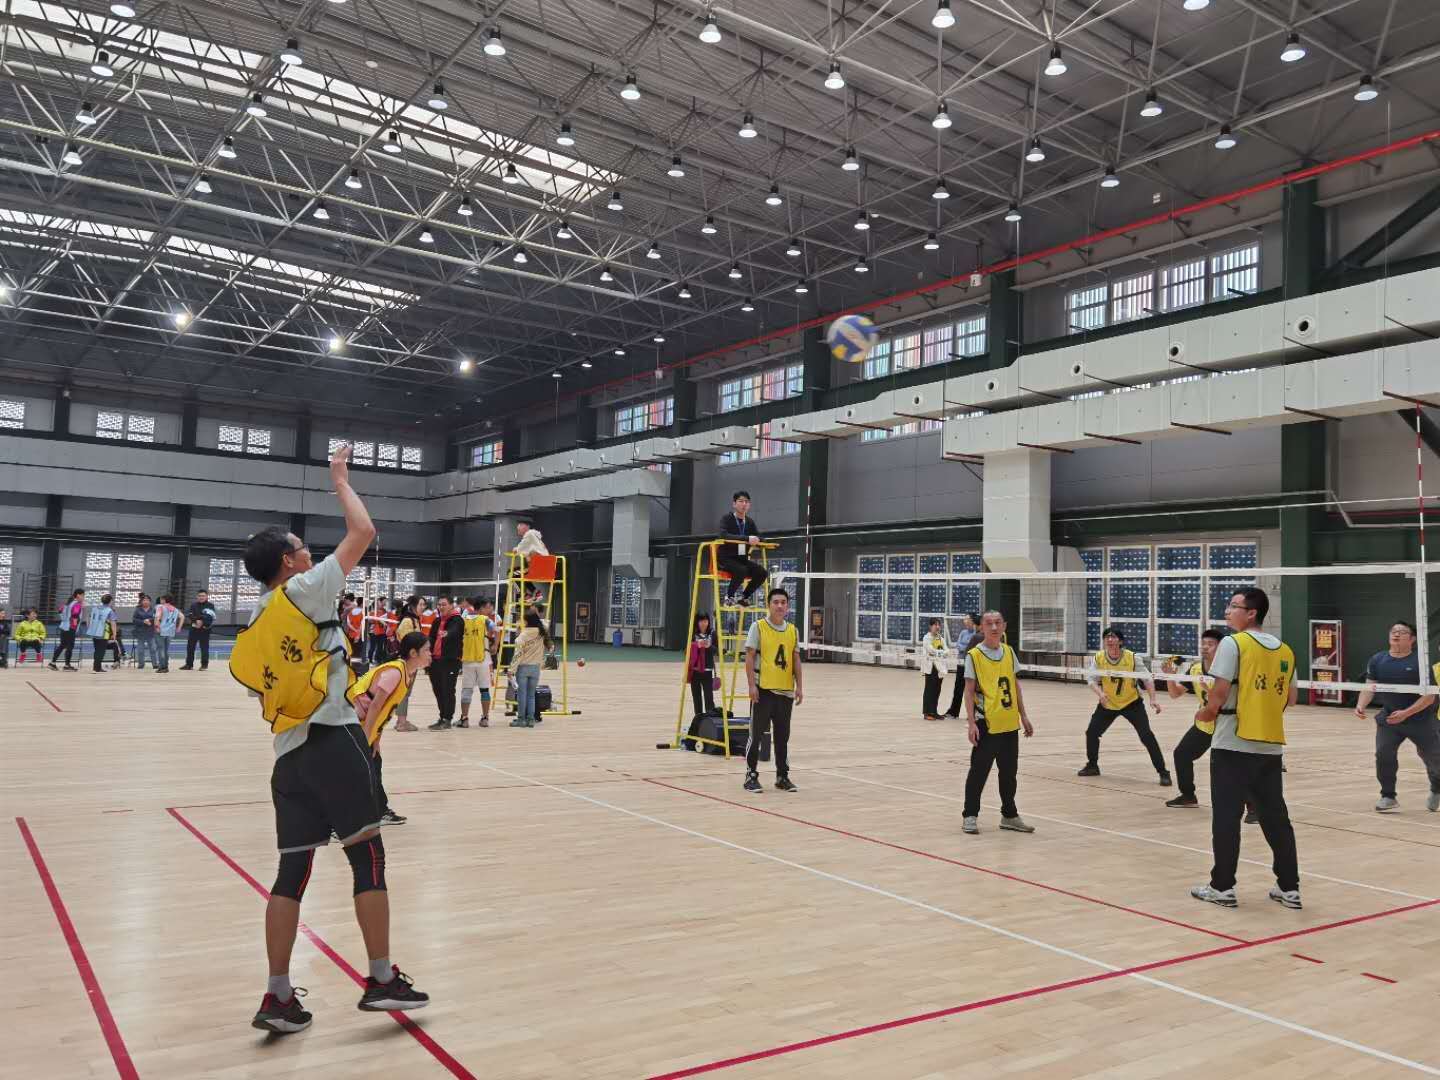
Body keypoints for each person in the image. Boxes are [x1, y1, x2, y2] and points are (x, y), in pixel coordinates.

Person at [232, 444, 428, 1035]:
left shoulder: (256, 620)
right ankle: (381, 978)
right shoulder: (308, 588)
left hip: (288, 758)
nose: (309, 551)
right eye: (300, 547)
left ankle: (277, 996)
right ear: (288, 562)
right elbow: (363, 531)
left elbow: (263, 692)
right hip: (334, 742)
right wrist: (340, 480)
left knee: (291, 873)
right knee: (367, 855)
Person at [1190, 586, 1301, 910]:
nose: (1228, 611)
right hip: (1270, 746)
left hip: (1232, 744)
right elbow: (1292, 699)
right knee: (1276, 819)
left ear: (1251, 613)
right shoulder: (1285, 650)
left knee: (1227, 818)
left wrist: (1207, 712)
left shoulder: (1233, 643)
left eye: (1233, 606)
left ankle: (1222, 887)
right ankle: (1289, 888)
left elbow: (1220, 690)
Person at [1162, 629, 1263, 819]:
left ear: (1221, 648)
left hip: (1228, 725)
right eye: (1203, 643)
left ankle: (1253, 807)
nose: (1205, 647)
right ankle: (1188, 796)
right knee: (1181, 754)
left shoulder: (1232, 669)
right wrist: (1170, 677)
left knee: (1235, 766)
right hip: (1205, 724)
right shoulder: (1195, 669)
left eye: (1210, 644)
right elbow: (1175, 694)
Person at [961, 610, 1035, 835]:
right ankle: (970, 815)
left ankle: (1009, 816)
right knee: (979, 772)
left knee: (1009, 774)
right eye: (989, 623)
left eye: (997, 623)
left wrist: (1023, 715)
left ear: (1004, 626)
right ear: (981, 627)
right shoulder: (974, 655)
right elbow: (969, 691)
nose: (994, 627)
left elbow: (1015, 685)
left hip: (1010, 724)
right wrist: (971, 723)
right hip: (987, 724)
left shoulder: (1009, 651)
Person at [348, 630, 433, 828]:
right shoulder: (395, 672)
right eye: (427, 650)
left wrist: (375, 739)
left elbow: (385, 710)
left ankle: (380, 811)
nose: (430, 654)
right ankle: (338, 824)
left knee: (374, 766)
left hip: (365, 728)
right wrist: (365, 737)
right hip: (352, 726)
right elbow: (375, 706)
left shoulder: (406, 673)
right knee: (353, 776)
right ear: (413, 653)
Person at [1354, 621, 1440, 814]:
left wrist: (1406, 713)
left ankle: (1436, 787)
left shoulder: (1421, 662)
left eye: (1402, 632)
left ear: (1412, 639)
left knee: (1435, 760)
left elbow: (1430, 697)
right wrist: (1361, 704)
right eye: (1393, 631)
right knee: (1383, 753)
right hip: (1390, 719)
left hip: (1421, 719)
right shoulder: (1377, 659)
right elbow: (1370, 686)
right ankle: (1388, 796)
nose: (1396, 634)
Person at [1077, 627, 1171, 785]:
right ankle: (1092, 766)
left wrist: (1153, 699)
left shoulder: (1132, 658)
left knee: (1146, 736)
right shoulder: (1099, 657)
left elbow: (1147, 678)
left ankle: (1163, 772)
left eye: (1113, 637)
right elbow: (1091, 679)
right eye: (1107, 637)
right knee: (1092, 732)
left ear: (1120, 641)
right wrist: (1100, 694)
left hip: (1132, 703)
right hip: (1109, 703)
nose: (1110, 639)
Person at [743, 587, 803, 792]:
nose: (779, 606)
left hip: (785, 692)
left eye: (783, 602)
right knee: (756, 735)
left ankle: (782, 776)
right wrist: (752, 685)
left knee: (782, 737)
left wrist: (799, 686)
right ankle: (750, 776)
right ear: (768, 605)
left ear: (787, 606)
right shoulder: (758, 627)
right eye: (776, 602)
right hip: (764, 691)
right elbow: (749, 657)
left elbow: (796, 659)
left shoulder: (792, 630)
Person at [717, 490, 768, 607]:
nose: (744, 504)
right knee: (742, 570)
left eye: (746, 502)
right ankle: (729, 597)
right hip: (726, 559)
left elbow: (758, 536)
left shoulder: (749, 522)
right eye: (741, 501)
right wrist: (747, 538)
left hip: (741, 559)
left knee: (762, 572)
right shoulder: (727, 518)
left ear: (749, 505)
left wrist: (759, 540)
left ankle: (743, 597)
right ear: (734, 504)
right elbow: (723, 535)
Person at [425, 596, 463, 730]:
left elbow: (455, 630)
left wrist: (448, 633)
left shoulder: (457, 620)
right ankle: (442, 717)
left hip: (450, 661)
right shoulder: (436, 621)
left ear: (451, 605)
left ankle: (447, 719)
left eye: (444, 604)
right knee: (438, 690)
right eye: (439, 605)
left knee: (448, 690)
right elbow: (431, 638)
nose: (441, 607)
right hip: (435, 661)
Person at [458, 596, 496, 728]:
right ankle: (485, 718)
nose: (490, 609)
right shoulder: (485, 619)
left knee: (466, 690)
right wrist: (495, 644)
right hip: (484, 660)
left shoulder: (463, 620)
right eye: (488, 607)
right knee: (484, 690)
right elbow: (495, 629)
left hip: (467, 660)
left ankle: (464, 719)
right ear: (481, 608)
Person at [511, 609, 550, 728]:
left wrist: (511, 670)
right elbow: (546, 622)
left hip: (523, 668)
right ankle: (531, 719)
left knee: (522, 695)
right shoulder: (542, 631)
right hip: (536, 668)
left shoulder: (523, 635)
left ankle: (521, 719)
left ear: (526, 621)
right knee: (531, 695)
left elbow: (517, 655)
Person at [389, 598, 422, 732]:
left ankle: (400, 720)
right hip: (409, 661)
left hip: (412, 659)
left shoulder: (414, 620)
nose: (423, 607)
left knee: (405, 691)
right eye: (421, 604)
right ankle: (402, 722)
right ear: (413, 606)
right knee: (404, 692)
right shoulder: (408, 621)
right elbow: (406, 642)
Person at [942, 614, 981, 720]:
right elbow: (958, 645)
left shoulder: (976, 634)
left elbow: (970, 648)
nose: (965, 621)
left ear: (973, 621)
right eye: (965, 619)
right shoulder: (963, 632)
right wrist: (965, 647)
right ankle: (953, 712)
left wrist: (965, 647)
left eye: (968, 619)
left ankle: (973, 713)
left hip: (971, 665)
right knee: (958, 688)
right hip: (961, 663)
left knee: (972, 689)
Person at [689, 612, 718, 719]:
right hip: (695, 670)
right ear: (697, 622)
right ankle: (698, 720)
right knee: (696, 698)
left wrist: (708, 646)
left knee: (709, 698)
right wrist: (696, 645)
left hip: (707, 670)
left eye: (705, 621)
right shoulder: (692, 634)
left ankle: (710, 722)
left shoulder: (712, 634)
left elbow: (716, 650)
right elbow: (687, 650)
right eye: (701, 621)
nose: (703, 623)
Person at [49, 587, 85, 670]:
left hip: (63, 627)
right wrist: (74, 628)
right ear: (78, 595)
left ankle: (52, 663)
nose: (83, 597)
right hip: (70, 628)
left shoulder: (67, 603)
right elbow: (75, 616)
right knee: (70, 646)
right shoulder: (77, 604)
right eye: (83, 595)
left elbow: (60, 611)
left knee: (62, 645)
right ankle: (67, 665)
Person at [920, 617, 948, 721]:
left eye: (939, 625)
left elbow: (947, 650)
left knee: (937, 690)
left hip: (939, 668)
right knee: (929, 690)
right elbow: (931, 650)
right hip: (930, 667)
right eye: (935, 625)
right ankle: (927, 713)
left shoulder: (940, 638)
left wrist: (941, 653)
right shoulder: (926, 638)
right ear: (930, 626)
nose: (937, 627)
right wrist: (941, 653)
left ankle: (934, 712)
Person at [181, 589, 216, 670]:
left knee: (204, 648)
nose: (201, 597)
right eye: (199, 596)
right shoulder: (193, 605)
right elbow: (190, 615)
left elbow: (210, 617)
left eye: (203, 596)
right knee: (190, 647)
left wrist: (201, 621)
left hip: (205, 629)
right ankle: (189, 665)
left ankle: (204, 665)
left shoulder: (210, 605)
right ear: (197, 597)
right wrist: (196, 621)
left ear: (206, 597)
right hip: (194, 629)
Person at [86, 593, 116, 673]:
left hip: (94, 632)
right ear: (110, 601)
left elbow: (88, 617)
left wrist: (89, 627)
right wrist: (114, 634)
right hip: (103, 633)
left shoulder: (95, 608)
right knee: (101, 651)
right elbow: (113, 623)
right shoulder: (109, 611)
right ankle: (95, 668)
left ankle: (98, 667)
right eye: (112, 601)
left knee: (97, 650)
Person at [154, 594, 183, 673]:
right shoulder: (175, 609)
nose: (160, 601)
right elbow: (182, 617)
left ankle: (162, 667)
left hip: (161, 630)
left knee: (161, 649)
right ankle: (166, 666)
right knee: (166, 650)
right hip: (170, 631)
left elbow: (157, 617)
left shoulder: (160, 607)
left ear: (164, 600)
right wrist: (179, 627)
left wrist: (157, 626)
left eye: (161, 599)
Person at [131, 593, 160, 670]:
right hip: (140, 632)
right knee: (140, 650)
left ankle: (155, 664)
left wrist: (149, 620)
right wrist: (143, 621)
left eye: (147, 600)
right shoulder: (138, 610)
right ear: (141, 601)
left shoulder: (153, 610)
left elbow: (157, 618)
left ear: (150, 601)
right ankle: (141, 664)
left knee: (153, 649)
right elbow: (134, 620)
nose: (146, 601)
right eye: (144, 600)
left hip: (151, 632)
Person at [367, 598, 391, 665]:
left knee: (380, 647)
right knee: (372, 647)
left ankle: (377, 659)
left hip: (382, 632)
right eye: (379, 603)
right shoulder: (371, 612)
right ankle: (370, 659)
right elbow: (370, 621)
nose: (381, 604)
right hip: (373, 632)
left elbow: (386, 620)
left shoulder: (384, 612)